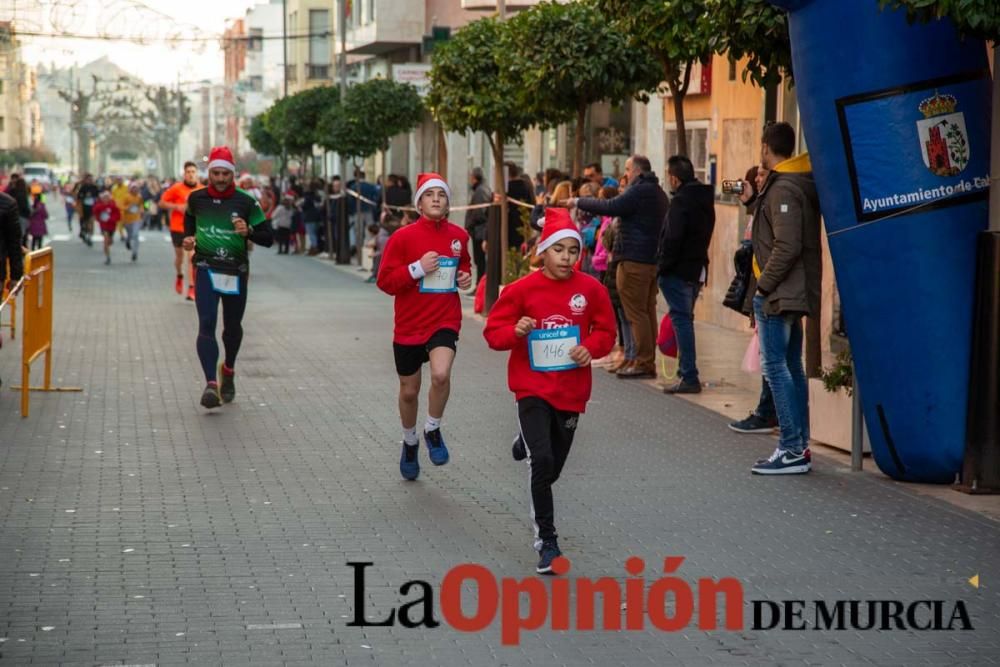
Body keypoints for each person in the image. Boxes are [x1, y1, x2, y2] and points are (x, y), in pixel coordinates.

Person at [483, 207, 615, 574]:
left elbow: (606, 331)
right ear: (543, 251)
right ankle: (548, 542)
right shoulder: (522, 290)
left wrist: (591, 347)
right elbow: (493, 332)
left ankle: (525, 442)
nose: (567, 258)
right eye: (559, 250)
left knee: (551, 468)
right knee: (541, 464)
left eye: (574, 251)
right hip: (532, 389)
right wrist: (516, 332)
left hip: (571, 391)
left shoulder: (591, 290)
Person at [376, 173, 473, 481]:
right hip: (409, 324)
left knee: (441, 374)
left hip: (444, 318)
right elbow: (385, 281)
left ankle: (432, 429)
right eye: (429, 194)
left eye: (441, 195)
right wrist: (417, 269)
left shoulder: (459, 236)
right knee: (409, 391)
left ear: (447, 203)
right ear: (418, 203)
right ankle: (409, 441)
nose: (435, 199)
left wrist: (465, 278)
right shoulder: (402, 238)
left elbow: (465, 264)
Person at [749, 122, 822, 475]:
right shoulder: (790, 185)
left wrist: (763, 288)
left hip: (779, 296)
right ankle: (799, 445)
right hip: (788, 293)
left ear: (767, 147)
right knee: (791, 367)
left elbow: (787, 245)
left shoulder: (784, 188)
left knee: (777, 369)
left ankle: (791, 448)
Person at [182, 146, 273, 409]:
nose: (220, 179)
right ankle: (211, 384)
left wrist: (249, 232)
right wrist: (189, 240)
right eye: (216, 173)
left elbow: (268, 238)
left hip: (235, 271)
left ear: (232, 174)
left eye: (225, 174)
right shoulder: (196, 199)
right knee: (207, 323)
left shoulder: (246, 202)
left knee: (232, 328)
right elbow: (189, 224)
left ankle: (229, 370)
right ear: (209, 172)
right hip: (206, 269)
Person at [568, 155, 668, 379]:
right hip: (650, 260)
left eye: (628, 169)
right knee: (646, 311)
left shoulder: (640, 190)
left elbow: (610, 206)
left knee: (636, 313)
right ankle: (641, 358)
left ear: (638, 171)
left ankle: (643, 361)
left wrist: (578, 202)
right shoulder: (658, 192)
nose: (625, 174)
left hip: (634, 260)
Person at [658, 155, 716, 394]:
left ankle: (689, 375)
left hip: (678, 270)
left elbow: (673, 238)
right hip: (696, 268)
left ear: (673, 178)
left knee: (682, 321)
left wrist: (661, 266)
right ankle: (686, 373)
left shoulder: (681, 201)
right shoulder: (704, 199)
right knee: (684, 319)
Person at [730, 165, 779, 434]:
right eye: (755, 176)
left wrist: (763, 289)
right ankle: (770, 411)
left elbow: (774, 248)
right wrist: (750, 201)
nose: (758, 180)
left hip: (769, 291)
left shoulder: (777, 202)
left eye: (761, 175)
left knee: (774, 360)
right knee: (769, 357)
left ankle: (769, 412)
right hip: (761, 289)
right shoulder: (761, 206)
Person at [160, 162, 203, 300]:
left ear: (197, 174)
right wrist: (177, 207)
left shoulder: (202, 190)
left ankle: (191, 288)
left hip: (195, 229)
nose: (191, 174)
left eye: (193, 171)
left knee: (191, 257)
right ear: (184, 174)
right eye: (188, 172)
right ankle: (179, 275)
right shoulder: (176, 188)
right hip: (178, 227)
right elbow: (161, 203)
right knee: (180, 258)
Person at [465, 167, 492, 282]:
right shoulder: (481, 189)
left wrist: (471, 224)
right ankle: (479, 284)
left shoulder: (480, 191)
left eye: (471, 177)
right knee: (479, 261)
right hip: (478, 230)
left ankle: (480, 285)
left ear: (474, 178)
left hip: (479, 231)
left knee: (480, 261)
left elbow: (479, 213)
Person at [93, 191, 121, 265]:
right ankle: (108, 257)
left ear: (109, 198)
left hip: (112, 226)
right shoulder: (99, 206)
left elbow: (118, 215)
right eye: (104, 197)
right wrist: (98, 218)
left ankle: (110, 241)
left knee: (110, 241)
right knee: (105, 241)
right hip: (104, 226)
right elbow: (95, 213)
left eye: (107, 197)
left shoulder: (113, 206)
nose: (105, 199)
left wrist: (111, 219)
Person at [120, 183, 144, 262]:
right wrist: (128, 207)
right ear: (130, 189)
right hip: (127, 219)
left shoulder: (139, 197)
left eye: (136, 188)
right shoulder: (126, 197)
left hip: (136, 219)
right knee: (130, 235)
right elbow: (121, 206)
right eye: (133, 188)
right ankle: (127, 241)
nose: (135, 190)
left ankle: (135, 252)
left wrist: (142, 211)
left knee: (135, 235)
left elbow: (141, 206)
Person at [74, 174, 99, 247]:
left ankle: (90, 237)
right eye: (88, 179)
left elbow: (98, 196)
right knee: (84, 222)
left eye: (91, 179)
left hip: (92, 207)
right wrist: (85, 196)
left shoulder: (95, 187)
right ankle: (83, 232)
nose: (90, 181)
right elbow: (79, 196)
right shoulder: (83, 187)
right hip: (84, 207)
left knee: (91, 222)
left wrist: (93, 197)